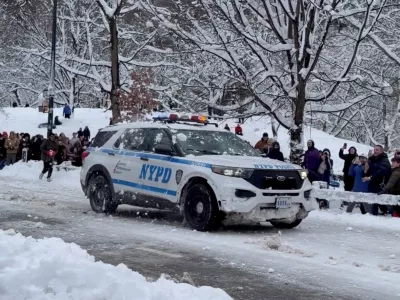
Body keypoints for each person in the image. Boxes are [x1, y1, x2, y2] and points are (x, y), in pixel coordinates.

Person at [362, 145, 391, 215]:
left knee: (378, 203)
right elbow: (369, 171)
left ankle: (387, 214)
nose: (375, 151)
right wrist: (365, 171)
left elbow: (382, 171)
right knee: (372, 202)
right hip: (372, 184)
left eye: (377, 150)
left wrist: (370, 177)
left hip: (380, 185)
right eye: (374, 149)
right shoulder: (372, 159)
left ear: (381, 151)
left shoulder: (384, 160)